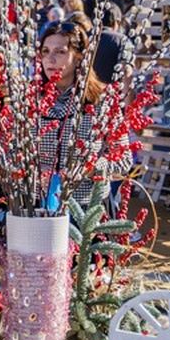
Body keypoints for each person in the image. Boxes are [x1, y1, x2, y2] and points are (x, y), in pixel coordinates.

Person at [35, 22, 107, 208]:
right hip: (36, 208)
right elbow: (11, 151)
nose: (50, 59)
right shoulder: (29, 101)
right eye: (45, 51)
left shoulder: (100, 101)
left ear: (78, 58)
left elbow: (122, 158)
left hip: (86, 210)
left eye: (60, 52)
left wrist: (90, 168)